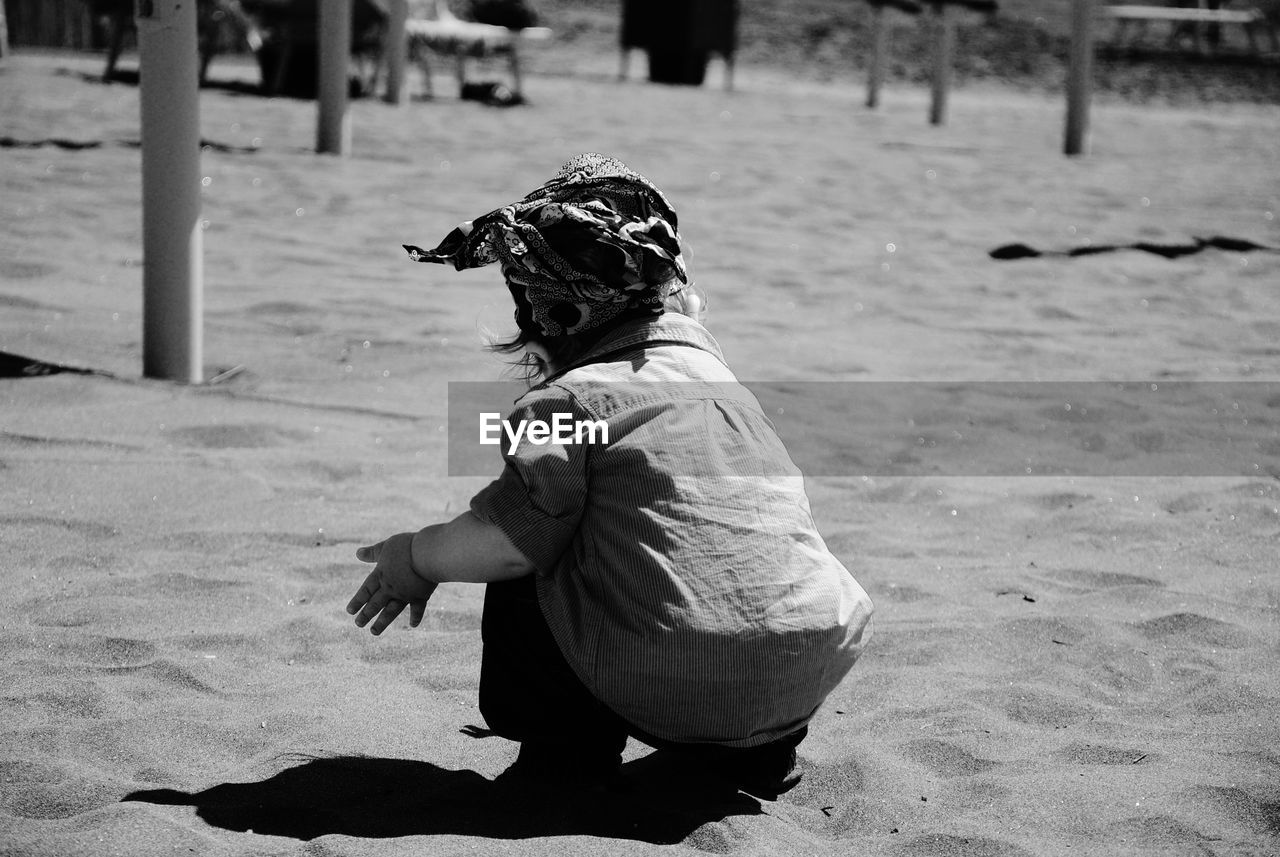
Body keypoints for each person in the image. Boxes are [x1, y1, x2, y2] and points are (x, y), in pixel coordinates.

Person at [346, 153, 873, 799]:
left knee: (533, 540)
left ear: (544, 319)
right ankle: (751, 756)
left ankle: (564, 753)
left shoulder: (566, 404)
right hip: (801, 661)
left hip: (675, 668)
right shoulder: (727, 391)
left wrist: (417, 557)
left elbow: (506, 546)